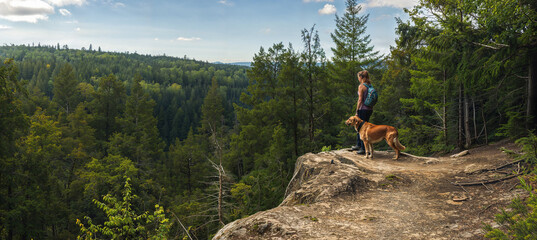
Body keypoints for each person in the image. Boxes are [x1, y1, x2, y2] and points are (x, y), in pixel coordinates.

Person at [352, 70, 374, 154]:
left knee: (361, 128)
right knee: (364, 127)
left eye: (358, 77)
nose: (358, 79)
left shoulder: (361, 86)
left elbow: (360, 99)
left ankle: (363, 148)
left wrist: (357, 110)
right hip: (369, 109)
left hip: (362, 109)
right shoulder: (369, 85)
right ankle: (359, 145)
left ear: (361, 77)